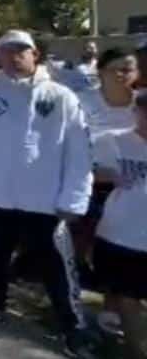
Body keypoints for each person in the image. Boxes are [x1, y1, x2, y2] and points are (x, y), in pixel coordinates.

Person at [0, 30, 93, 358]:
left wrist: (74, 199)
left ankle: (72, 324)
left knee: (56, 266)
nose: (14, 56)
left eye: (22, 50)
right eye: (7, 51)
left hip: (45, 201)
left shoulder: (62, 96)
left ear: (35, 54)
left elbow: (79, 153)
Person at [75, 47, 139, 335]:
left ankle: (112, 307)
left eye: (130, 69)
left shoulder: (141, 103)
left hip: (132, 190)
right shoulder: (83, 102)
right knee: (86, 243)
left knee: (123, 249)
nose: (124, 75)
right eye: (118, 69)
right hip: (90, 182)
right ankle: (72, 297)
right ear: (101, 71)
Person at [92, 91, 147, 359]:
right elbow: (84, 168)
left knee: (128, 297)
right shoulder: (113, 140)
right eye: (144, 109)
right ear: (136, 110)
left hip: (143, 240)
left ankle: (133, 349)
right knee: (116, 294)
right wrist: (105, 174)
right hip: (115, 233)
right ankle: (119, 346)